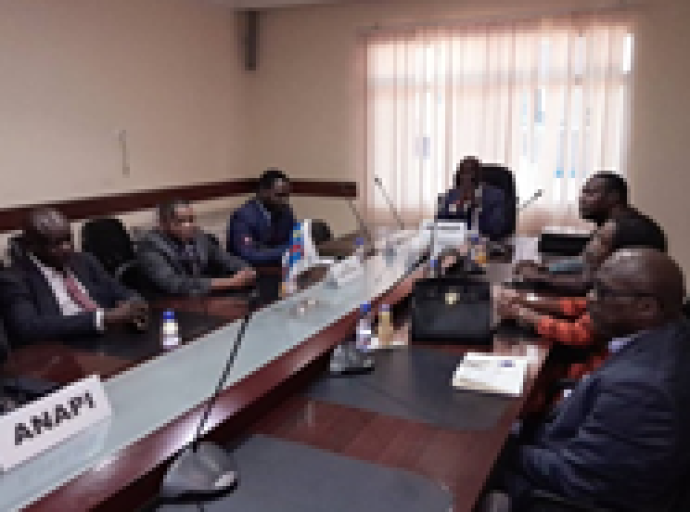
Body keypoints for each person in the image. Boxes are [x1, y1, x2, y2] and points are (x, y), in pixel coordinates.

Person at [493, 248, 690, 512]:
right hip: (575, 442)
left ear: (646, 307)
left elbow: (579, 480)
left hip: (566, 493)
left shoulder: (641, 390)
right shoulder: (669, 335)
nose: (590, 299)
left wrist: (500, 449)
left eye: (602, 292)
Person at [0, 208, 148, 344]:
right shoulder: (14, 279)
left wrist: (135, 306)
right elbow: (27, 328)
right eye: (55, 244)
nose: (66, 248)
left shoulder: (85, 260)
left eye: (68, 239)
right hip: (64, 347)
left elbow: (119, 290)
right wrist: (103, 318)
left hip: (108, 338)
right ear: (31, 246)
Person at [514, 171, 663, 295]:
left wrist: (539, 276)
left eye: (590, 193)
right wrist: (546, 268)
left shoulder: (613, 229)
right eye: (582, 193)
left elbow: (586, 285)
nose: (581, 199)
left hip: (620, 312)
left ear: (613, 197)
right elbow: (585, 261)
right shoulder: (638, 222)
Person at [136, 200, 256, 297]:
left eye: (191, 220)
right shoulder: (150, 246)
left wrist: (246, 270)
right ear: (162, 224)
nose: (189, 225)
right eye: (180, 221)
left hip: (200, 297)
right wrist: (230, 282)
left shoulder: (198, 235)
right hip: (168, 303)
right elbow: (174, 283)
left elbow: (224, 258)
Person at [226, 168, 297, 266]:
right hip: (249, 271)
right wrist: (288, 249)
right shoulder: (243, 216)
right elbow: (249, 255)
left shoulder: (286, 211)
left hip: (279, 267)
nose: (285, 201)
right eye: (279, 195)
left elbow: (296, 240)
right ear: (262, 192)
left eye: (287, 196)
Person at [436, 156, 507, 240]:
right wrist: (456, 208)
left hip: (486, 242)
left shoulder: (495, 195)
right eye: (463, 173)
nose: (467, 177)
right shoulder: (452, 194)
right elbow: (439, 222)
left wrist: (477, 207)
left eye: (471, 172)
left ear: (480, 175)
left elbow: (497, 227)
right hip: (457, 241)